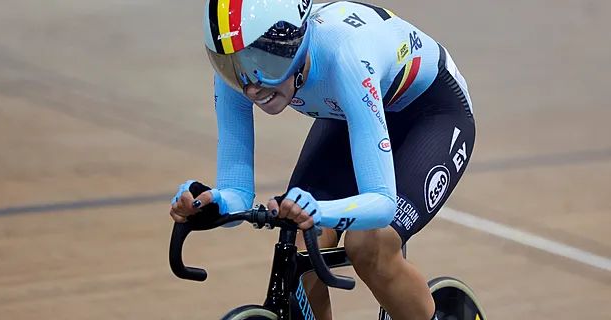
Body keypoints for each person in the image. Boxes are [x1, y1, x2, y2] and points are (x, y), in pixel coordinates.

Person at [169, 1, 475, 319]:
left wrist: (319, 210)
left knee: (370, 246)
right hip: (352, 110)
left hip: (431, 113)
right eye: (229, 64)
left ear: (296, 42)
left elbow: (382, 205)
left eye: (264, 62)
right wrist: (211, 203)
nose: (251, 88)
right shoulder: (241, 74)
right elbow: (237, 195)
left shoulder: (346, 57)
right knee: (302, 242)